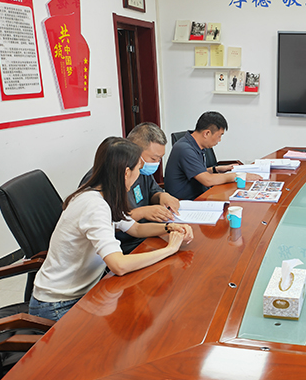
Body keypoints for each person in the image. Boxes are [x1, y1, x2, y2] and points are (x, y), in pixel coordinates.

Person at [29, 137, 193, 321]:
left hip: (86, 293)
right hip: (58, 305)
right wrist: (170, 249)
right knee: (130, 323)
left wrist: (170, 227)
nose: (140, 175)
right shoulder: (94, 206)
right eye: (138, 169)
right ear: (126, 173)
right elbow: (119, 265)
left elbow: (136, 228)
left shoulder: (102, 195)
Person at [81, 122, 180, 254]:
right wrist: (142, 212)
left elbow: (152, 192)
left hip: (143, 233)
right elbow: (108, 223)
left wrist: (163, 196)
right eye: (154, 158)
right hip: (120, 245)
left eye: (160, 159)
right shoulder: (102, 183)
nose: (156, 163)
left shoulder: (141, 170)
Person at [164, 111, 262, 200]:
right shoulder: (185, 149)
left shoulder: (194, 144)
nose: (219, 140)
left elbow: (196, 172)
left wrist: (216, 169)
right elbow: (207, 180)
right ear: (206, 133)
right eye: (219, 136)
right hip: (186, 202)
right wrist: (238, 176)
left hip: (202, 195)